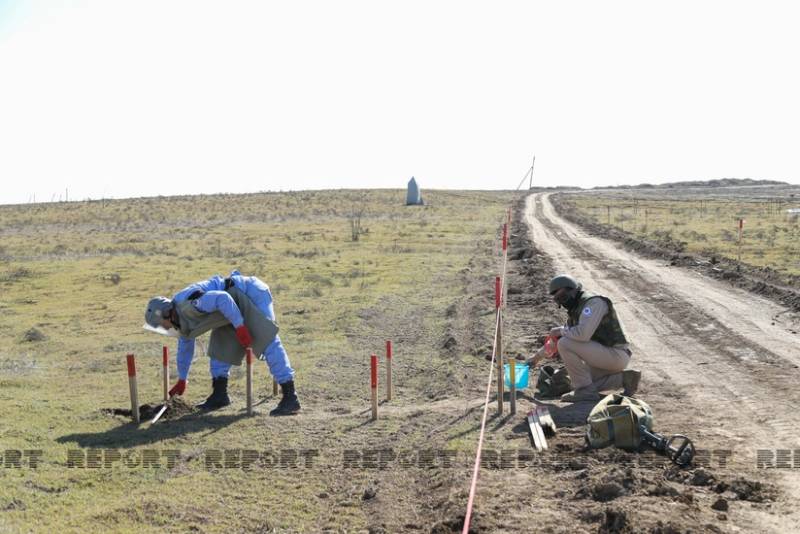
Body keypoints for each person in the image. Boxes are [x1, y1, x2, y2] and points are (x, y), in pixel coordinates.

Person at [144, 270, 300, 416]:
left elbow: (221, 298)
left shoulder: (190, 304)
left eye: (160, 324)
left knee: (266, 340)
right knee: (220, 349)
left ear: (165, 314)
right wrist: (182, 378)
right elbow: (185, 346)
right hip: (228, 309)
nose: (163, 328)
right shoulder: (178, 320)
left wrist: (239, 326)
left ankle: (290, 396)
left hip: (249, 293)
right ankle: (219, 395)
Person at [528, 275, 641, 402]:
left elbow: (582, 334)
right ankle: (625, 379)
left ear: (573, 290)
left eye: (563, 297)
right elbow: (556, 340)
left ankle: (584, 391)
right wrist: (534, 359)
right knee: (573, 381)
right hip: (603, 357)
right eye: (559, 299)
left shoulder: (593, 303)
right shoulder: (576, 309)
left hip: (615, 355)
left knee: (565, 343)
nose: (563, 302)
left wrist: (560, 331)